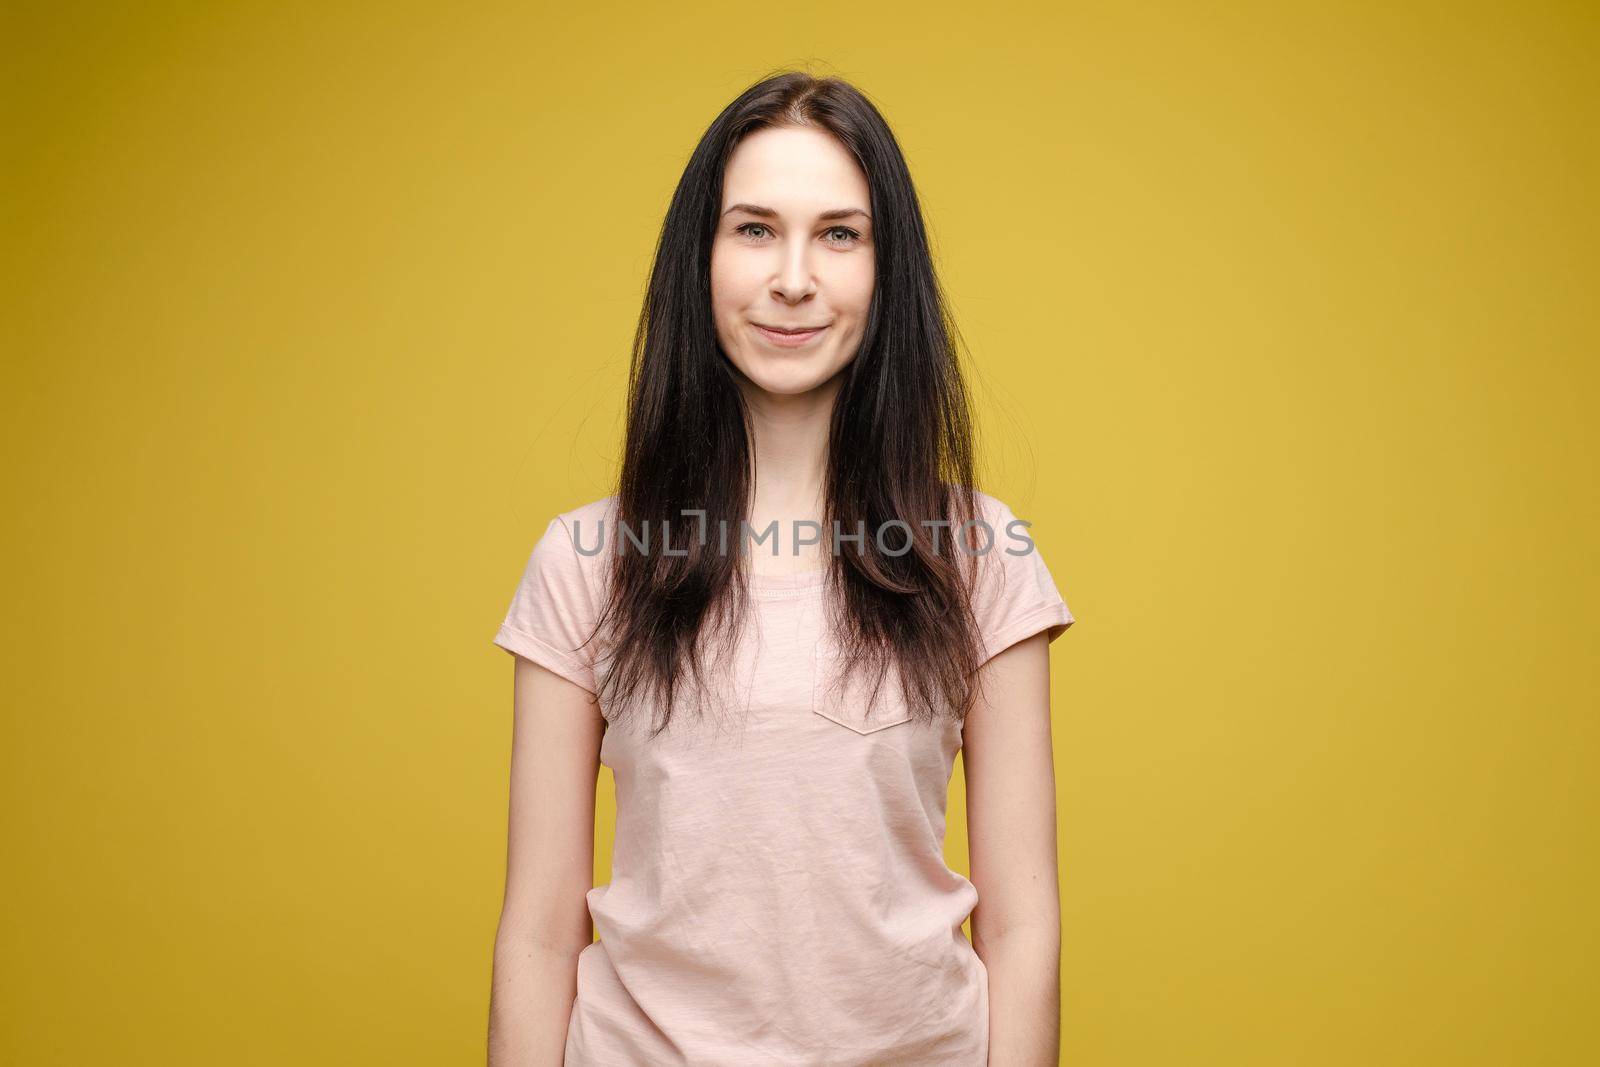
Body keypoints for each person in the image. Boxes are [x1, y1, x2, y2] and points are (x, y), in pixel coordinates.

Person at [487, 70, 1076, 1067]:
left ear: (887, 272)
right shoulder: (587, 563)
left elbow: (1022, 926)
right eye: (754, 228)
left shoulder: (979, 553)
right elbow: (539, 932)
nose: (793, 276)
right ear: (700, 260)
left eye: (839, 234)